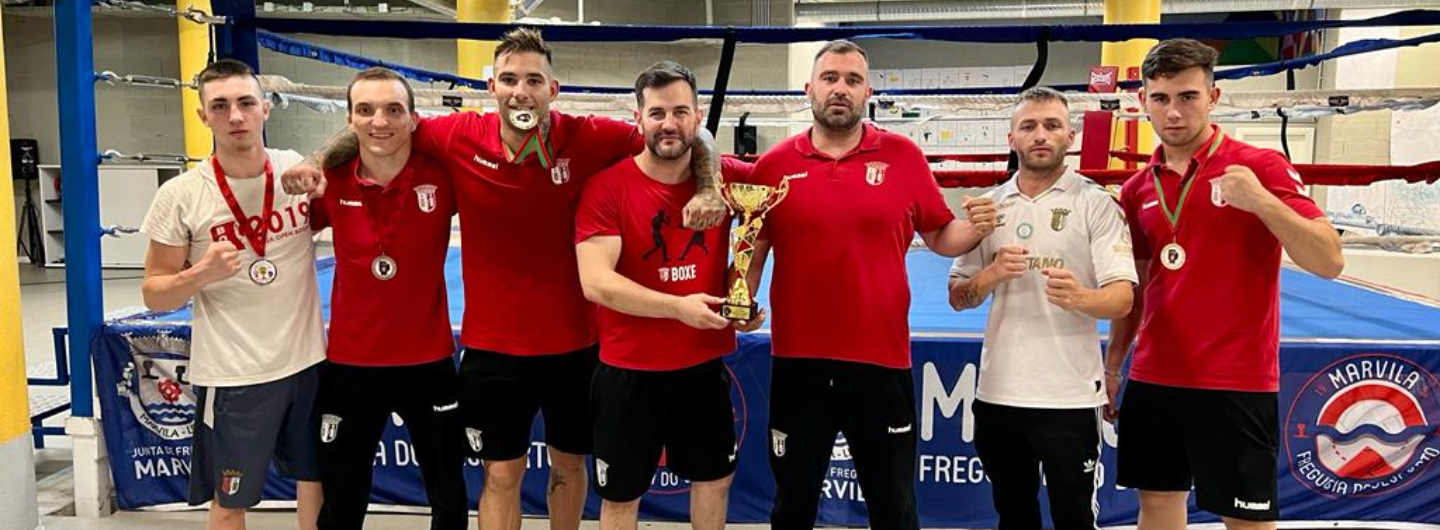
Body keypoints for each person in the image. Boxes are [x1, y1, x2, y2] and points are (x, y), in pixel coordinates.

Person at [281, 27, 728, 530]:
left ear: (553, 89)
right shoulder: (457, 134)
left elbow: (694, 135)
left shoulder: (589, 136)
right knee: (500, 474)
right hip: (493, 348)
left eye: (534, 80)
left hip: (575, 344)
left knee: (569, 465)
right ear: (492, 86)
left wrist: (709, 187)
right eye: (510, 79)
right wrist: (315, 160)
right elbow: (376, 128)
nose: (521, 91)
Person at [742, 40, 997, 530]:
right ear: (809, 89)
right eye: (830, 78)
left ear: (868, 93)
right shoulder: (773, 166)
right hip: (798, 362)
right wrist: (742, 300)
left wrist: (976, 229)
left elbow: (940, 235)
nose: (840, 89)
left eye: (852, 80)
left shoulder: (903, 156)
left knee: (893, 506)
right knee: (792, 504)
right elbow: (756, 248)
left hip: (880, 360)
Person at [1107, 38, 1344, 530]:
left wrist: (1261, 202)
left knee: (1245, 520)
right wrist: (1113, 366)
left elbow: (1329, 261)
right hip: (1154, 375)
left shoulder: (1259, 167)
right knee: (1157, 505)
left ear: (1213, 98)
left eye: (1188, 96)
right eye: (1161, 98)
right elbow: (1137, 288)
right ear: (1143, 101)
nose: (1174, 112)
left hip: (1235, 376)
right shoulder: (1136, 188)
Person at [139, 58, 324, 530]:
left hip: (308, 362)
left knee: (318, 481)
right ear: (203, 116)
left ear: (266, 108)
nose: (236, 116)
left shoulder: (294, 169)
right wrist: (199, 274)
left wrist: (322, 178)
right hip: (236, 375)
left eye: (246, 103)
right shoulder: (182, 194)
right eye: (220, 106)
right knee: (229, 502)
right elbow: (155, 294)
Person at [948, 86, 1136, 530]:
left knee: (1075, 518)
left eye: (1052, 125)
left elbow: (1123, 297)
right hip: (999, 393)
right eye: (1028, 126)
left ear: (1070, 135)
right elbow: (958, 296)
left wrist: (1081, 297)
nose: (1040, 135)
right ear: (1011, 137)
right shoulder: (989, 207)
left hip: (1069, 395)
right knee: (1014, 515)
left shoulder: (1095, 204)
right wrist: (990, 275)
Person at [575, 60, 752, 530]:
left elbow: (776, 209)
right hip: (628, 372)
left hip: (701, 368)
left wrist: (746, 296)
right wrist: (677, 307)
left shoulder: (728, 181)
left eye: (679, 112)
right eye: (657, 113)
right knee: (621, 496)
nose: (668, 124)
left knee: (714, 481)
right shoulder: (607, 188)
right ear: (638, 119)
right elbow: (596, 282)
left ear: (698, 119)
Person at [308, 67, 467, 530]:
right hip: (351, 363)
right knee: (342, 496)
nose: (380, 121)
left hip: (429, 360)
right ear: (350, 119)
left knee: (448, 491)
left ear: (414, 119)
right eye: (366, 110)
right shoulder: (328, 180)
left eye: (393, 109)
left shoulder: (443, 176)